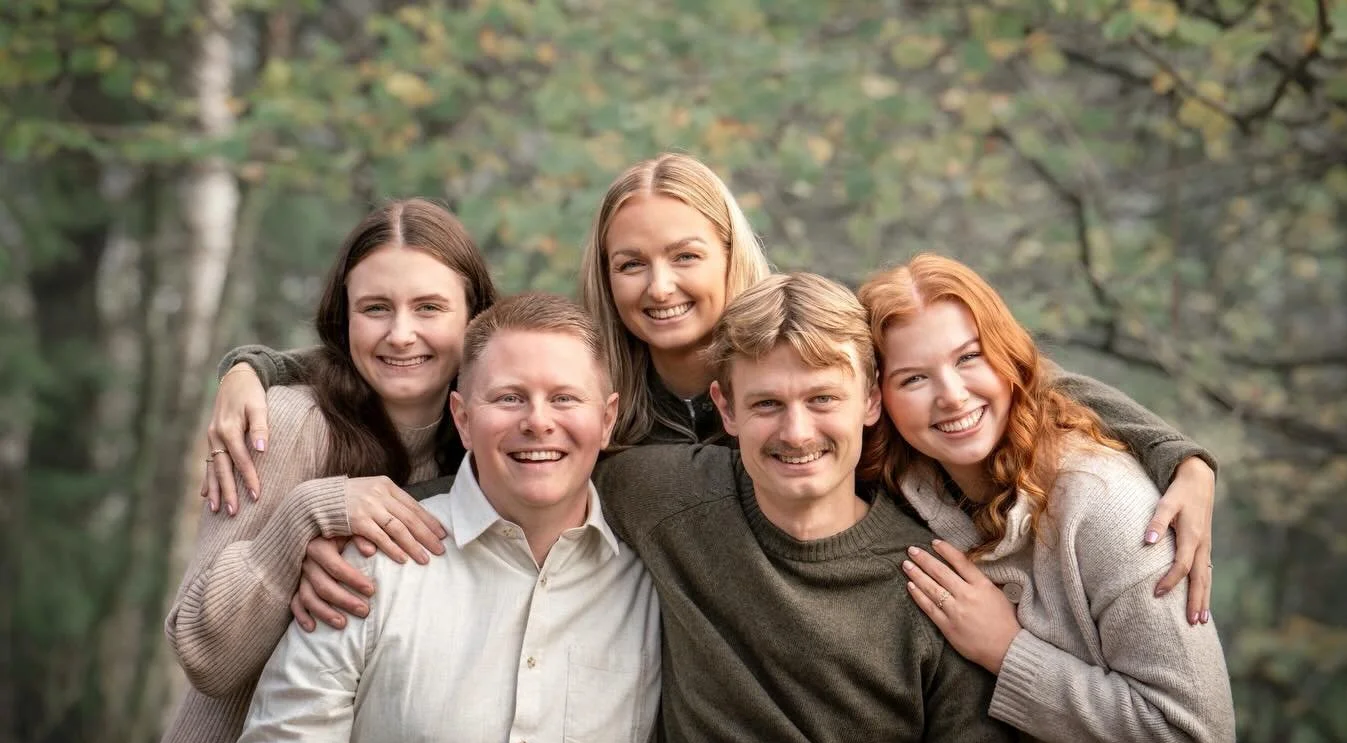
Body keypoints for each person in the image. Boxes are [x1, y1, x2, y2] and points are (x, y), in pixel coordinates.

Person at [198, 154, 1219, 632]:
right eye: (630, 263)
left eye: (686, 255)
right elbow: (449, 364)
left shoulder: (800, 357)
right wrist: (262, 365)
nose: (661, 286)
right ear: (605, 273)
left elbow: (992, 381)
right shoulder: (600, 399)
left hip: (873, 639)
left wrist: (1180, 456)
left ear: (730, 251)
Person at [595, 272, 1032, 743]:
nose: (796, 432)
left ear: (869, 398)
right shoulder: (665, 499)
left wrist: (1182, 458)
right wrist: (362, 501)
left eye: (822, 399)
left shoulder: (934, 586)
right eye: (766, 404)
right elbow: (521, 463)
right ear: (726, 407)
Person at [108, 199, 499, 743]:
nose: (401, 333)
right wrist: (308, 515)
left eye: (429, 307)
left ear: (476, 316)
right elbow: (206, 651)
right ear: (341, 317)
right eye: (374, 308)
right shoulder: (286, 423)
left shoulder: (489, 454)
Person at [221, 292, 666, 743]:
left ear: (606, 419)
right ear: (462, 417)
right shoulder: (372, 570)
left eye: (564, 399)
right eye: (509, 398)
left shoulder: (651, 586)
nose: (538, 423)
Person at [859, 253, 1236, 743]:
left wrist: (1007, 653)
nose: (950, 395)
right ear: (876, 397)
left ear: (1007, 358)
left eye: (970, 358)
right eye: (913, 378)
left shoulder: (1106, 503)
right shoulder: (901, 487)